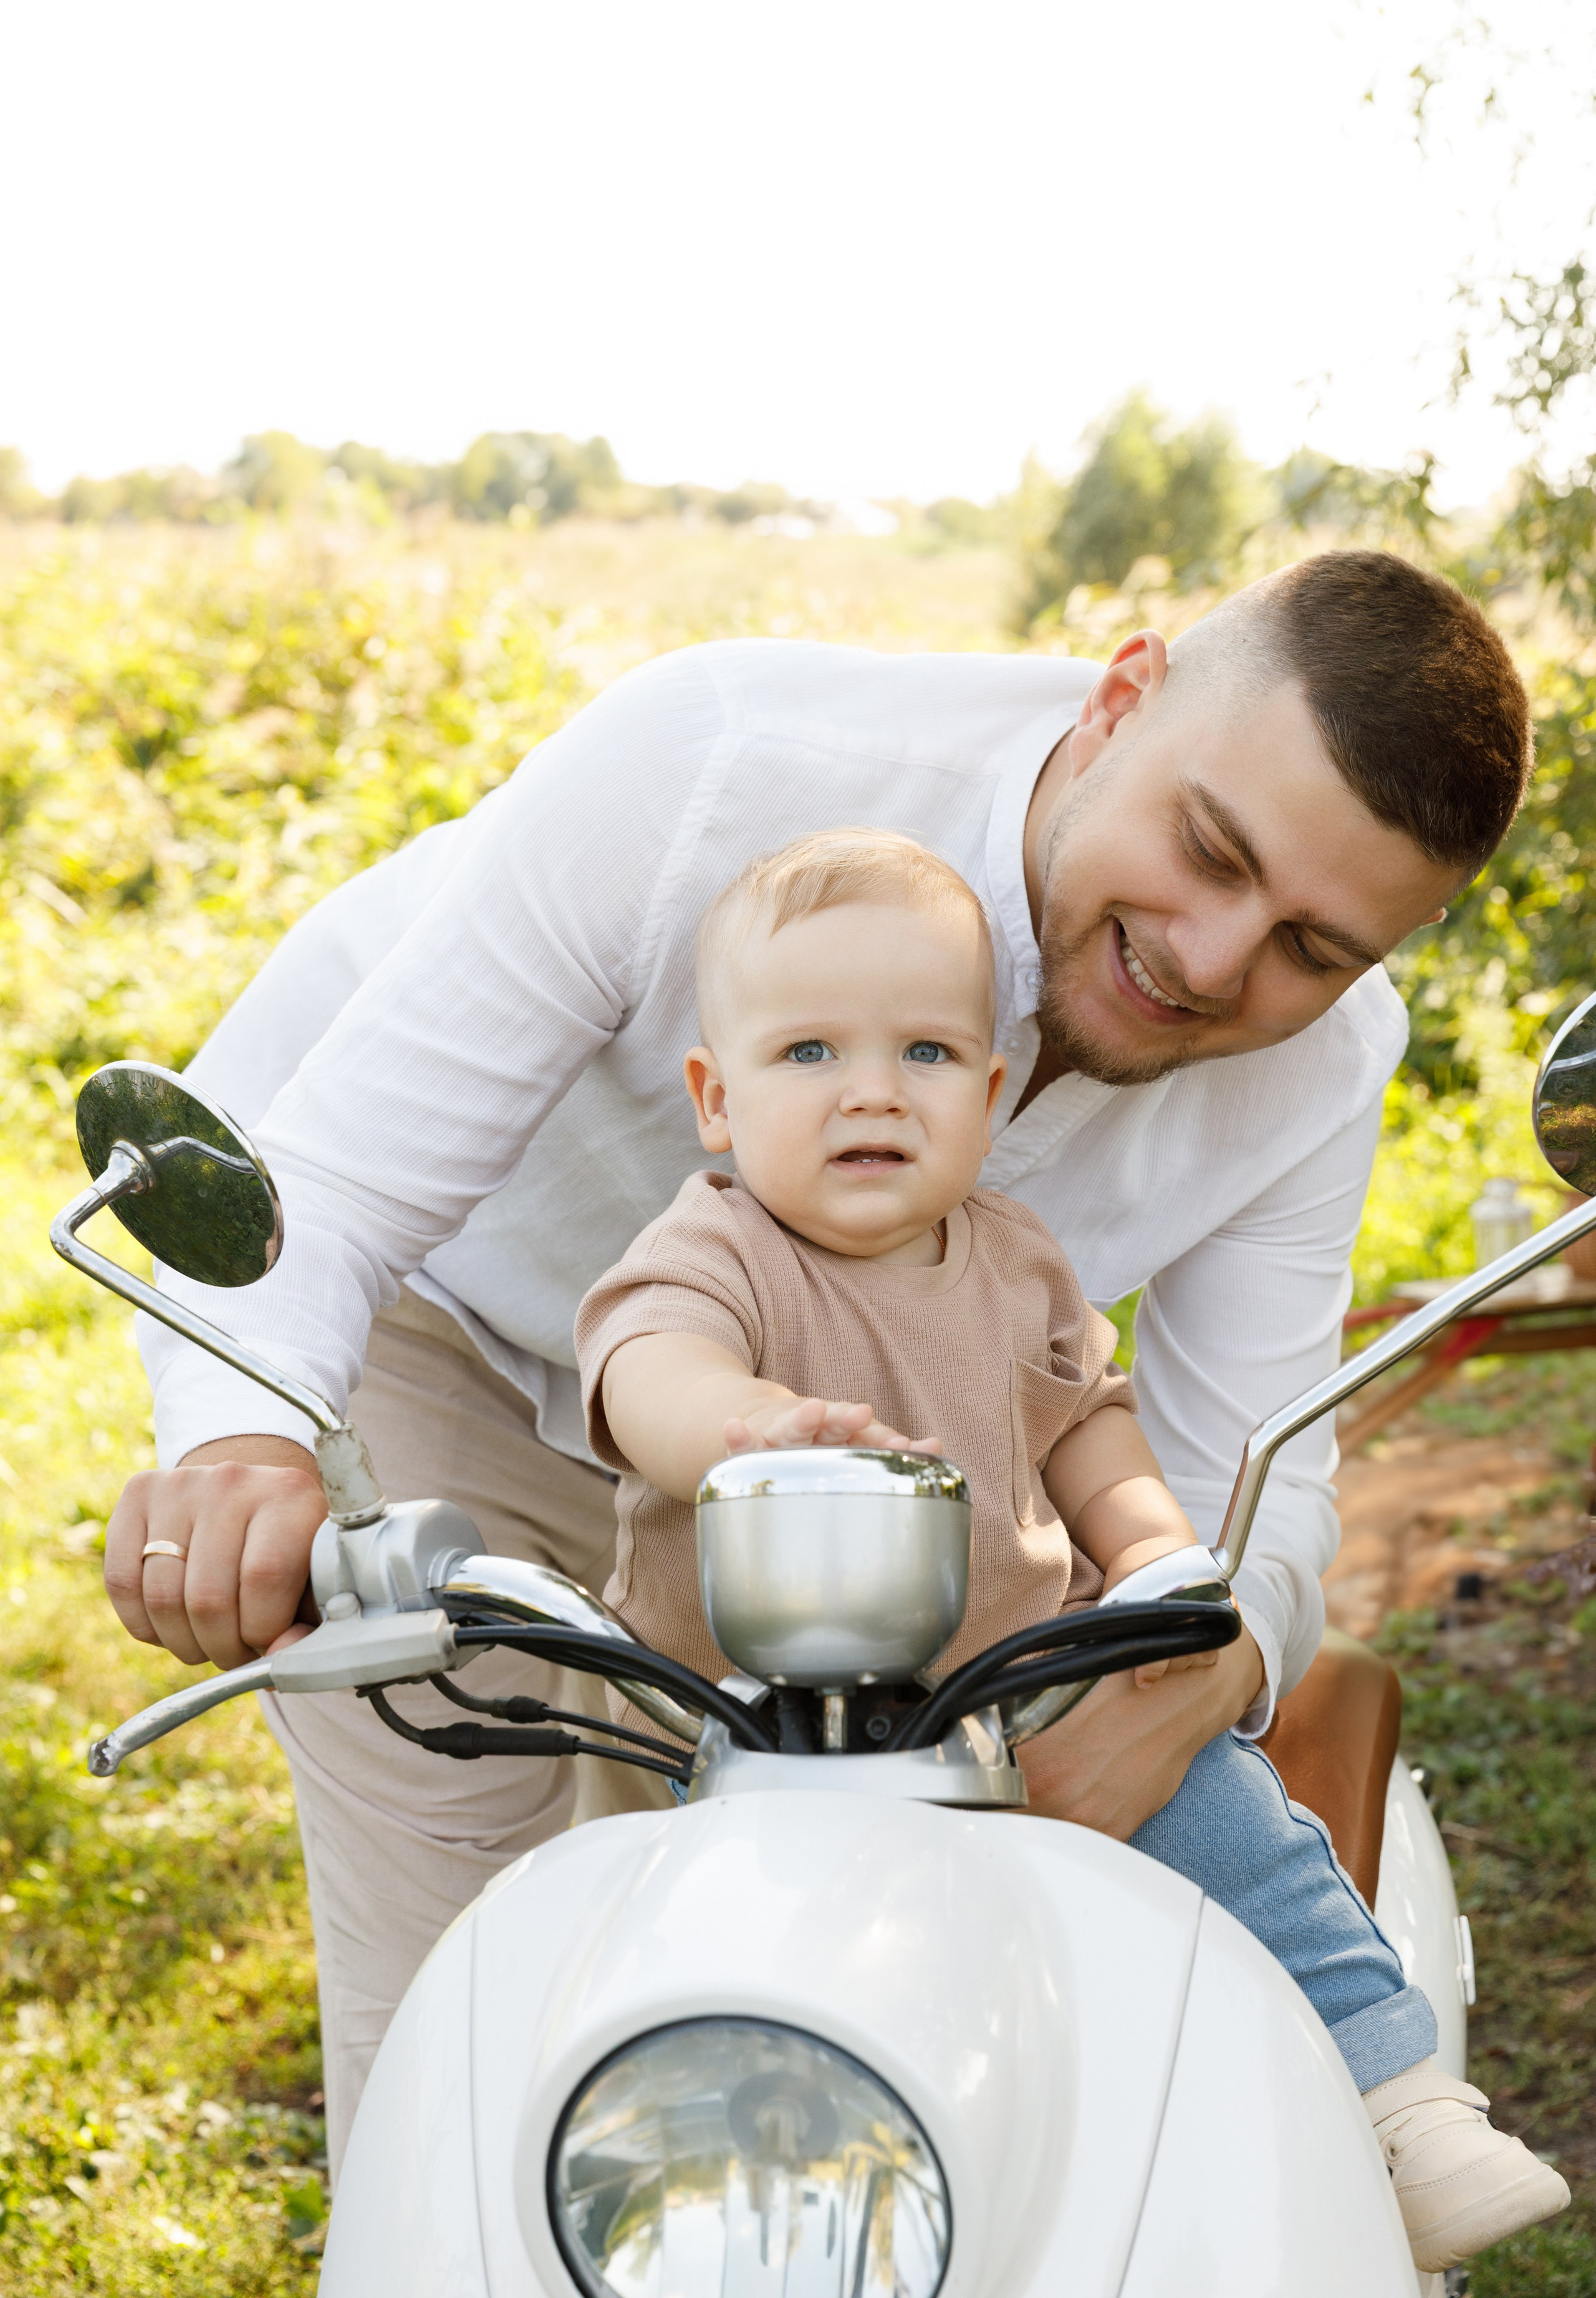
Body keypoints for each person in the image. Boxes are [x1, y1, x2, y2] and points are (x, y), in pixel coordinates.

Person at [106, 548, 1532, 2173]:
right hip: (431, 1327)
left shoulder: (1327, 1065)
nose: (1213, 960)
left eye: (1312, 948)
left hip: (834, 1499)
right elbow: (337, 1191)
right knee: (479, 2010)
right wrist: (243, 1446)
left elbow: (1250, 1484)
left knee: (780, 1989)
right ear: (1122, 698)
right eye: (1209, 849)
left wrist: (1207, 1661)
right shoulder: (714, 757)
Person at [574, 826, 1566, 2275]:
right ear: (716, 1101)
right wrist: (747, 1432)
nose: (870, 1090)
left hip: (1022, 1689)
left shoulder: (1017, 1261)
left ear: (986, 1096)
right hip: (757, 1733)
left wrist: (1158, 1557)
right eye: (808, 1054)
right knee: (674, 1971)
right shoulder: (717, 1250)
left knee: (1230, 1827)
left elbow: (1088, 1425)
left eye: (924, 1054)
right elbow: (642, 1369)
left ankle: (1393, 2098)